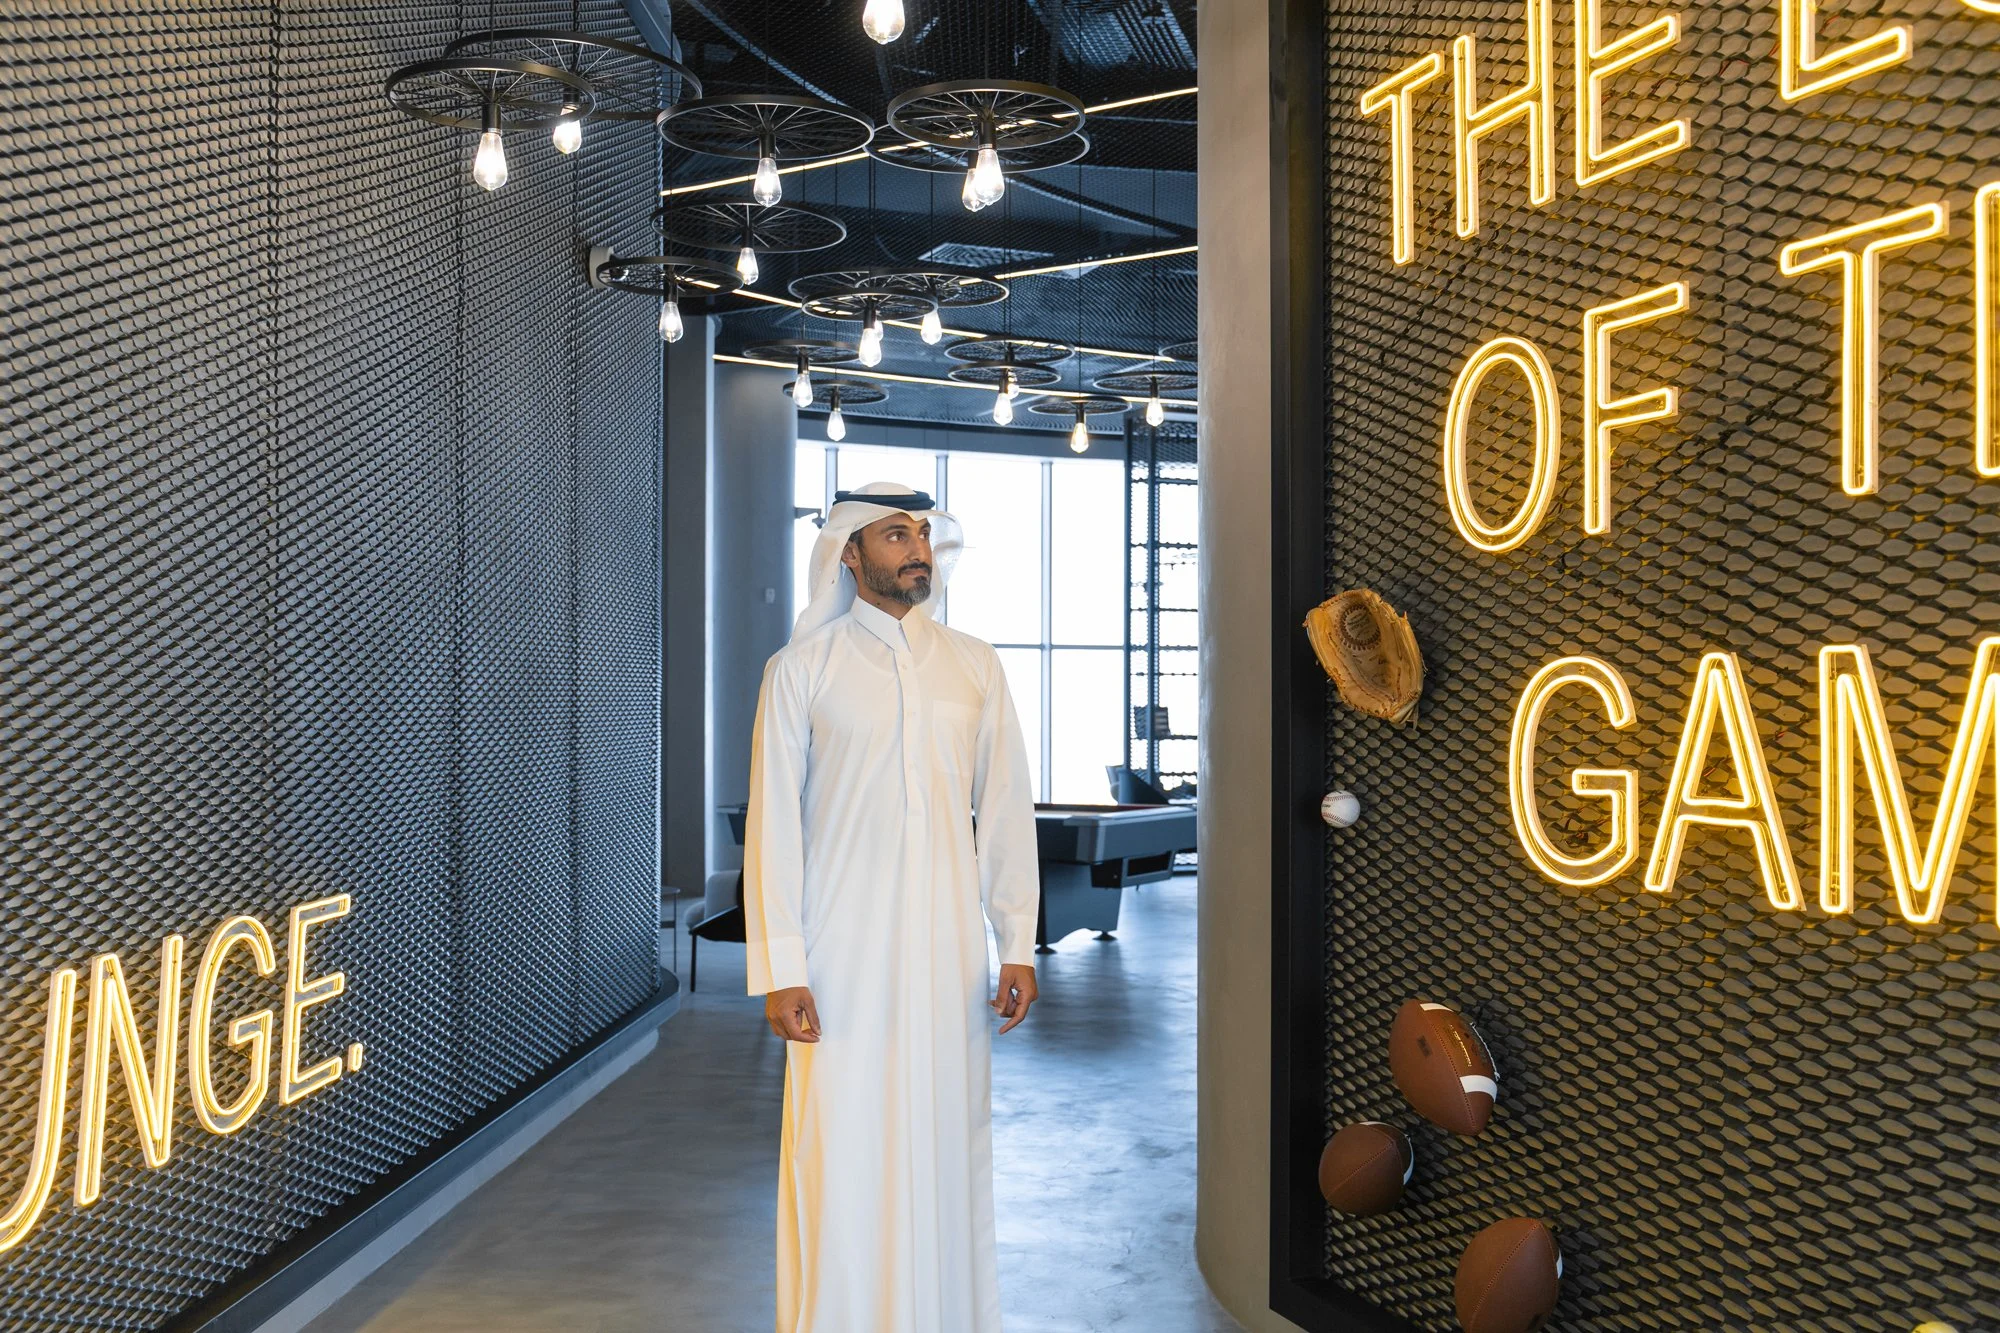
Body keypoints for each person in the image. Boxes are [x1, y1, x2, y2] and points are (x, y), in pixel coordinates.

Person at [744, 480, 1041, 1333]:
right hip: (840, 958)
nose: (916, 549)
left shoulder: (975, 664)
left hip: (948, 958)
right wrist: (782, 966)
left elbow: (1007, 809)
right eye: (893, 534)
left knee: (946, 1144)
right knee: (840, 1151)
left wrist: (1014, 940)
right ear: (849, 551)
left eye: (921, 532)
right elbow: (776, 828)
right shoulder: (802, 669)